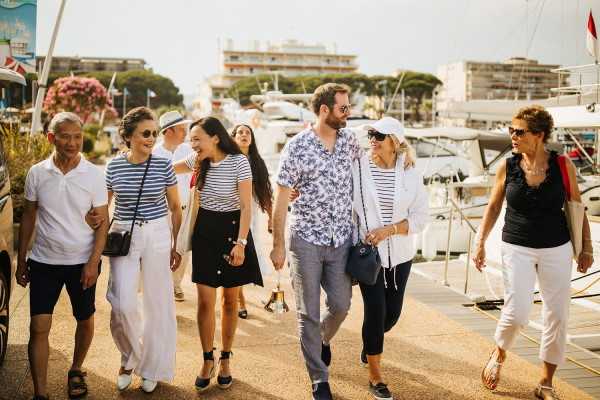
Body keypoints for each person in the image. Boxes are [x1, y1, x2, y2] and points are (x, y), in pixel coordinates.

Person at [474, 105, 594, 400]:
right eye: (510, 131)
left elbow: (577, 207)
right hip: (517, 246)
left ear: (539, 135)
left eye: (519, 131)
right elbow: (492, 207)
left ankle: (545, 382)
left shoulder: (563, 166)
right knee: (517, 312)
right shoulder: (508, 166)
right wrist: (479, 243)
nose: (512, 136)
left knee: (558, 315)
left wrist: (586, 247)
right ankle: (500, 352)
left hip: (557, 248)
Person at [270, 83, 362, 400]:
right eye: (343, 108)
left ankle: (320, 339)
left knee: (341, 305)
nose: (348, 113)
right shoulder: (297, 147)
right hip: (305, 238)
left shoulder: (350, 141)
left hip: (341, 240)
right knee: (307, 311)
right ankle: (319, 379)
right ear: (325, 110)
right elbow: (280, 198)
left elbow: (369, 173)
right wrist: (278, 244)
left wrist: (401, 159)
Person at [16, 112, 109, 400]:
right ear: (51, 138)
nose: (72, 142)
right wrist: (21, 260)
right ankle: (40, 393)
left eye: (77, 136)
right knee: (38, 325)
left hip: (82, 261)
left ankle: (76, 369)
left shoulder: (94, 174)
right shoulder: (37, 173)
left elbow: (102, 221)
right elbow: (29, 216)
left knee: (85, 317)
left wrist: (93, 262)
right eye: (65, 136)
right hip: (44, 261)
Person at [174, 117, 262, 391]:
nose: (193, 145)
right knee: (204, 301)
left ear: (215, 138)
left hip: (233, 233)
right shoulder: (198, 160)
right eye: (191, 140)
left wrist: (241, 244)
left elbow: (246, 208)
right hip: (205, 233)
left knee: (229, 301)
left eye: (197, 139)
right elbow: (165, 169)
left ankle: (225, 358)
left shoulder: (239, 162)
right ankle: (206, 358)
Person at [105, 106, 182, 394]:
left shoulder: (163, 164)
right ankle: (130, 356)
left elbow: (175, 208)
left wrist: (176, 244)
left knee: (158, 302)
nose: (151, 139)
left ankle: (151, 366)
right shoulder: (113, 166)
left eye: (154, 133)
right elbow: (103, 207)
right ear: (128, 136)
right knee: (121, 302)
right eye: (145, 134)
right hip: (123, 232)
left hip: (158, 232)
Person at [352, 117, 428, 400]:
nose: (373, 139)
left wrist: (391, 230)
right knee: (374, 311)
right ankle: (375, 376)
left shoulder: (410, 172)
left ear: (395, 141)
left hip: (400, 256)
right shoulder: (358, 167)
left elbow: (421, 217)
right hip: (369, 255)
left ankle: (370, 343)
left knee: (391, 316)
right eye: (371, 134)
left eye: (380, 135)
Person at [231, 123, 273, 319]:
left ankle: (244, 295)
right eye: (240, 132)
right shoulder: (227, 159)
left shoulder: (257, 162)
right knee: (236, 254)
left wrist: (271, 218)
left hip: (253, 213)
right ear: (233, 137)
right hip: (231, 211)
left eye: (248, 132)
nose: (244, 135)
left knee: (250, 254)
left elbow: (266, 193)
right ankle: (239, 302)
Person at [153, 110, 194, 302]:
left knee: (182, 248)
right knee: (161, 249)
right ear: (169, 131)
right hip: (161, 212)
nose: (185, 132)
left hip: (185, 209)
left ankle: (175, 284)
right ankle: (162, 287)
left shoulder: (189, 151)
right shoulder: (153, 154)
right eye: (182, 129)